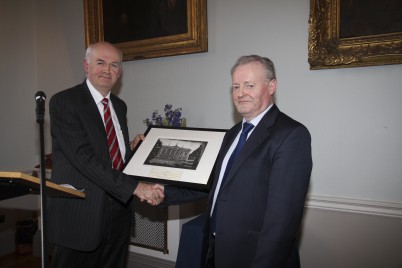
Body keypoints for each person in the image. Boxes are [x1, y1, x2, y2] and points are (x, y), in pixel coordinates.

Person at [160, 55, 312, 267]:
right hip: (216, 250)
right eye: (236, 86)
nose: (241, 93)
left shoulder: (291, 135)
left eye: (249, 85)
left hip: (254, 258)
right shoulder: (231, 135)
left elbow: (282, 221)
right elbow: (213, 185)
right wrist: (162, 192)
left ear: (271, 86)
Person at [47, 41, 164, 268]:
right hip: (81, 214)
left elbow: (113, 154)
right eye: (100, 63)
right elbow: (84, 158)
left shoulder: (119, 106)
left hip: (119, 210)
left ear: (119, 72)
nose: (107, 70)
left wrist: (135, 151)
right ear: (86, 66)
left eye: (114, 65)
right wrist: (136, 187)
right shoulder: (64, 102)